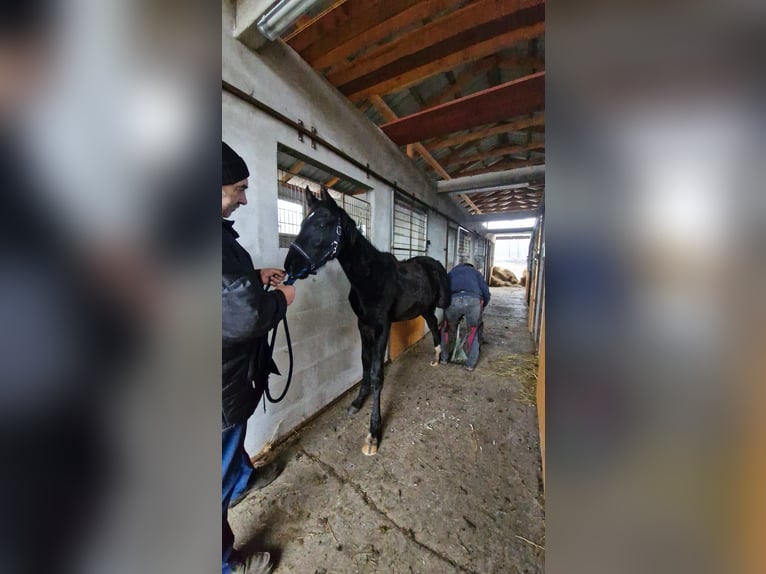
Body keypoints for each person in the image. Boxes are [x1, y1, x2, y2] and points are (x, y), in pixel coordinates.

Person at [222, 141, 296, 574]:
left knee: (231, 445)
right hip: (217, 381)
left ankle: (244, 478)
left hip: (226, 375)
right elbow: (242, 312)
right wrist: (281, 300)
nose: (245, 199)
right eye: (238, 189)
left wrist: (253, 276)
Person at [439, 263, 491, 371]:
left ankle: (444, 358)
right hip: (473, 301)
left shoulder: (452, 273)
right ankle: (470, 364)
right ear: (471, 267)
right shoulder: (476, 273)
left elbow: (443, 290)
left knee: (448, 329)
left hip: (453, 301)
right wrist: (482, 306)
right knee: (473, 331)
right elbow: (486, 292)